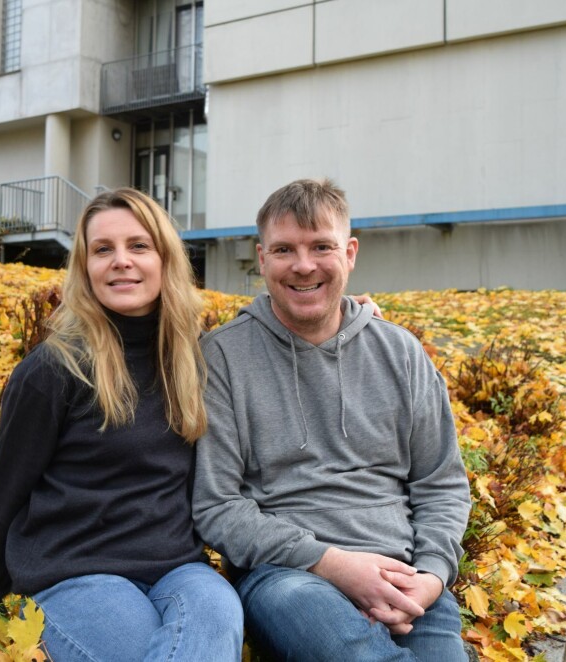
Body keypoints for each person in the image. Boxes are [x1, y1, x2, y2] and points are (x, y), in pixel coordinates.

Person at [192, 178, 471, 661]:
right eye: (284, 250)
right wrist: (333, 565)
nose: (304, 266)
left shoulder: (399, 352)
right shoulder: (222, 358)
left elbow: (441, 482)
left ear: (350, 253)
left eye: (322, 246)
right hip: (285, 577)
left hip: (403, 575)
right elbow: (217, 504)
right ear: (262, 259)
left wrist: (431, 576)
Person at [0, 188, 243, 661]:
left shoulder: (194, 358)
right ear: (85, 267)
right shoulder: (54, 370)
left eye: (138, 246)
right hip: (76, 572)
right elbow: (5, 493)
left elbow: (271, 336)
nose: (121, 261)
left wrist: (343, 315)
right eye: (103, 249)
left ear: (165, 258)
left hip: (178, 569)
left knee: (218, 613)